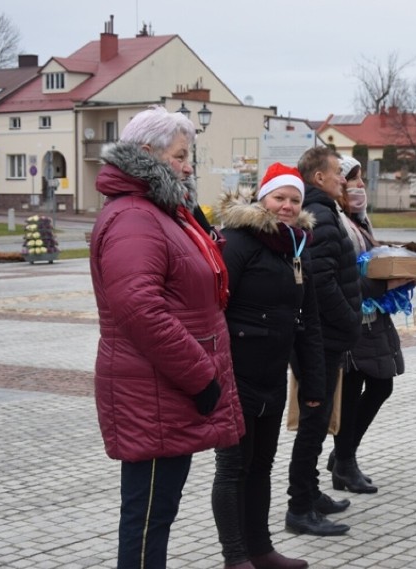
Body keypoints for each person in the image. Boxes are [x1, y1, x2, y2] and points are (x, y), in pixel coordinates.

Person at [89, 105, 245, 567]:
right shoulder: (135, 218)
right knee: (147, 519)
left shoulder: (162, 213)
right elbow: (139, 308)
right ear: (146, 154)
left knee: (157, 515)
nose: (188, 165)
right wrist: (202, 376)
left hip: (166, 387)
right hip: (157, 389)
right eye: (180, 156)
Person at [211, 164, 324, 569]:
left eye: (295, 199)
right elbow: (214, 311)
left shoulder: (296, 248)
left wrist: (313, 382)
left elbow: (307, 321)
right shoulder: (238, 243)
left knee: (261, 466)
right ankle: (235, 557)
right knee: (232, 468)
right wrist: (215, 374)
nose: (288, 206)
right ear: (263, 198)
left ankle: (260, 550)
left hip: (272, 377)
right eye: (280, 198)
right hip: (235, 375)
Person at [285, 146, 362, 536]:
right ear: (319, 178)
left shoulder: (324, 213)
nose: (343, 180)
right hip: (323, 338)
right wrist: (351, 322)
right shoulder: (320, 218)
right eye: (337, 173)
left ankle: (311, 492)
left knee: (318, 422)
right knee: (315, 423)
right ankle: (299, 508)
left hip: (326, 336)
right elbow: (323, 282)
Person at [327, 156, 411, 494]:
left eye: (362, 180)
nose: (361, 186)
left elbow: (367, 259)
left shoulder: (357, 219)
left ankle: (343, 456)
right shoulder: (336, 220)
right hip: (353, 315)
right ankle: (344, 461)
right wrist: (384, 282)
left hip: (371, 314)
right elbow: (345, 272)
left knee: (380, 384)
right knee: (352, 392)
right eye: (356, 179)